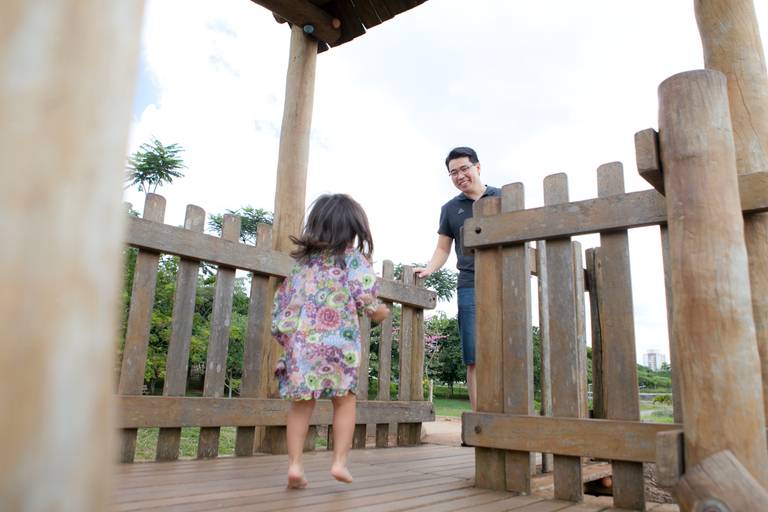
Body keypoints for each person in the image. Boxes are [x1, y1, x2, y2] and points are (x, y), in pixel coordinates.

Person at [272, 193, 390, 489]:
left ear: (317, 225)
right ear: (353, 228)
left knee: (301, 405)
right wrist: (380, 312)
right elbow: (367, 301)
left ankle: (295, 466)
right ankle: (339, 462)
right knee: (345, 402)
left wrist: (288, 345)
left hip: (305, 345)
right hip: (342, 346)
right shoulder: (354, 259)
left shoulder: (303, 266)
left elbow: (284, 307)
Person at [415, 147, 500, 411]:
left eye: (464, 168)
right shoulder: (450, 209)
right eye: (453, 172)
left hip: (505, 280)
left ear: (478, 167)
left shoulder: (504, 196)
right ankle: (479, 421)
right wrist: (429, 269)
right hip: (469, 283)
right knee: (473, 355)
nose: (460, 175)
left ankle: (507, 416)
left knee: (506, 350)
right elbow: (443, 248)